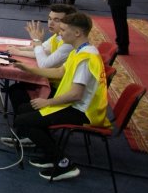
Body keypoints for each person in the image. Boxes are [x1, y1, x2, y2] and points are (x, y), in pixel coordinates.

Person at [10, 12, 111, 181]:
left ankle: (64, 163)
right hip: (74, 105)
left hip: (83, 111)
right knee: (24, 109)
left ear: (77, 33)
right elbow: (58, 71)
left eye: (63, 30)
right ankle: (50, 152)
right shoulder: (79, 50)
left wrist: (47, 102)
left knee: (24, 120)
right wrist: (29, 69)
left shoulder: (86, 58)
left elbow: (75, 94)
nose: (60, 33)